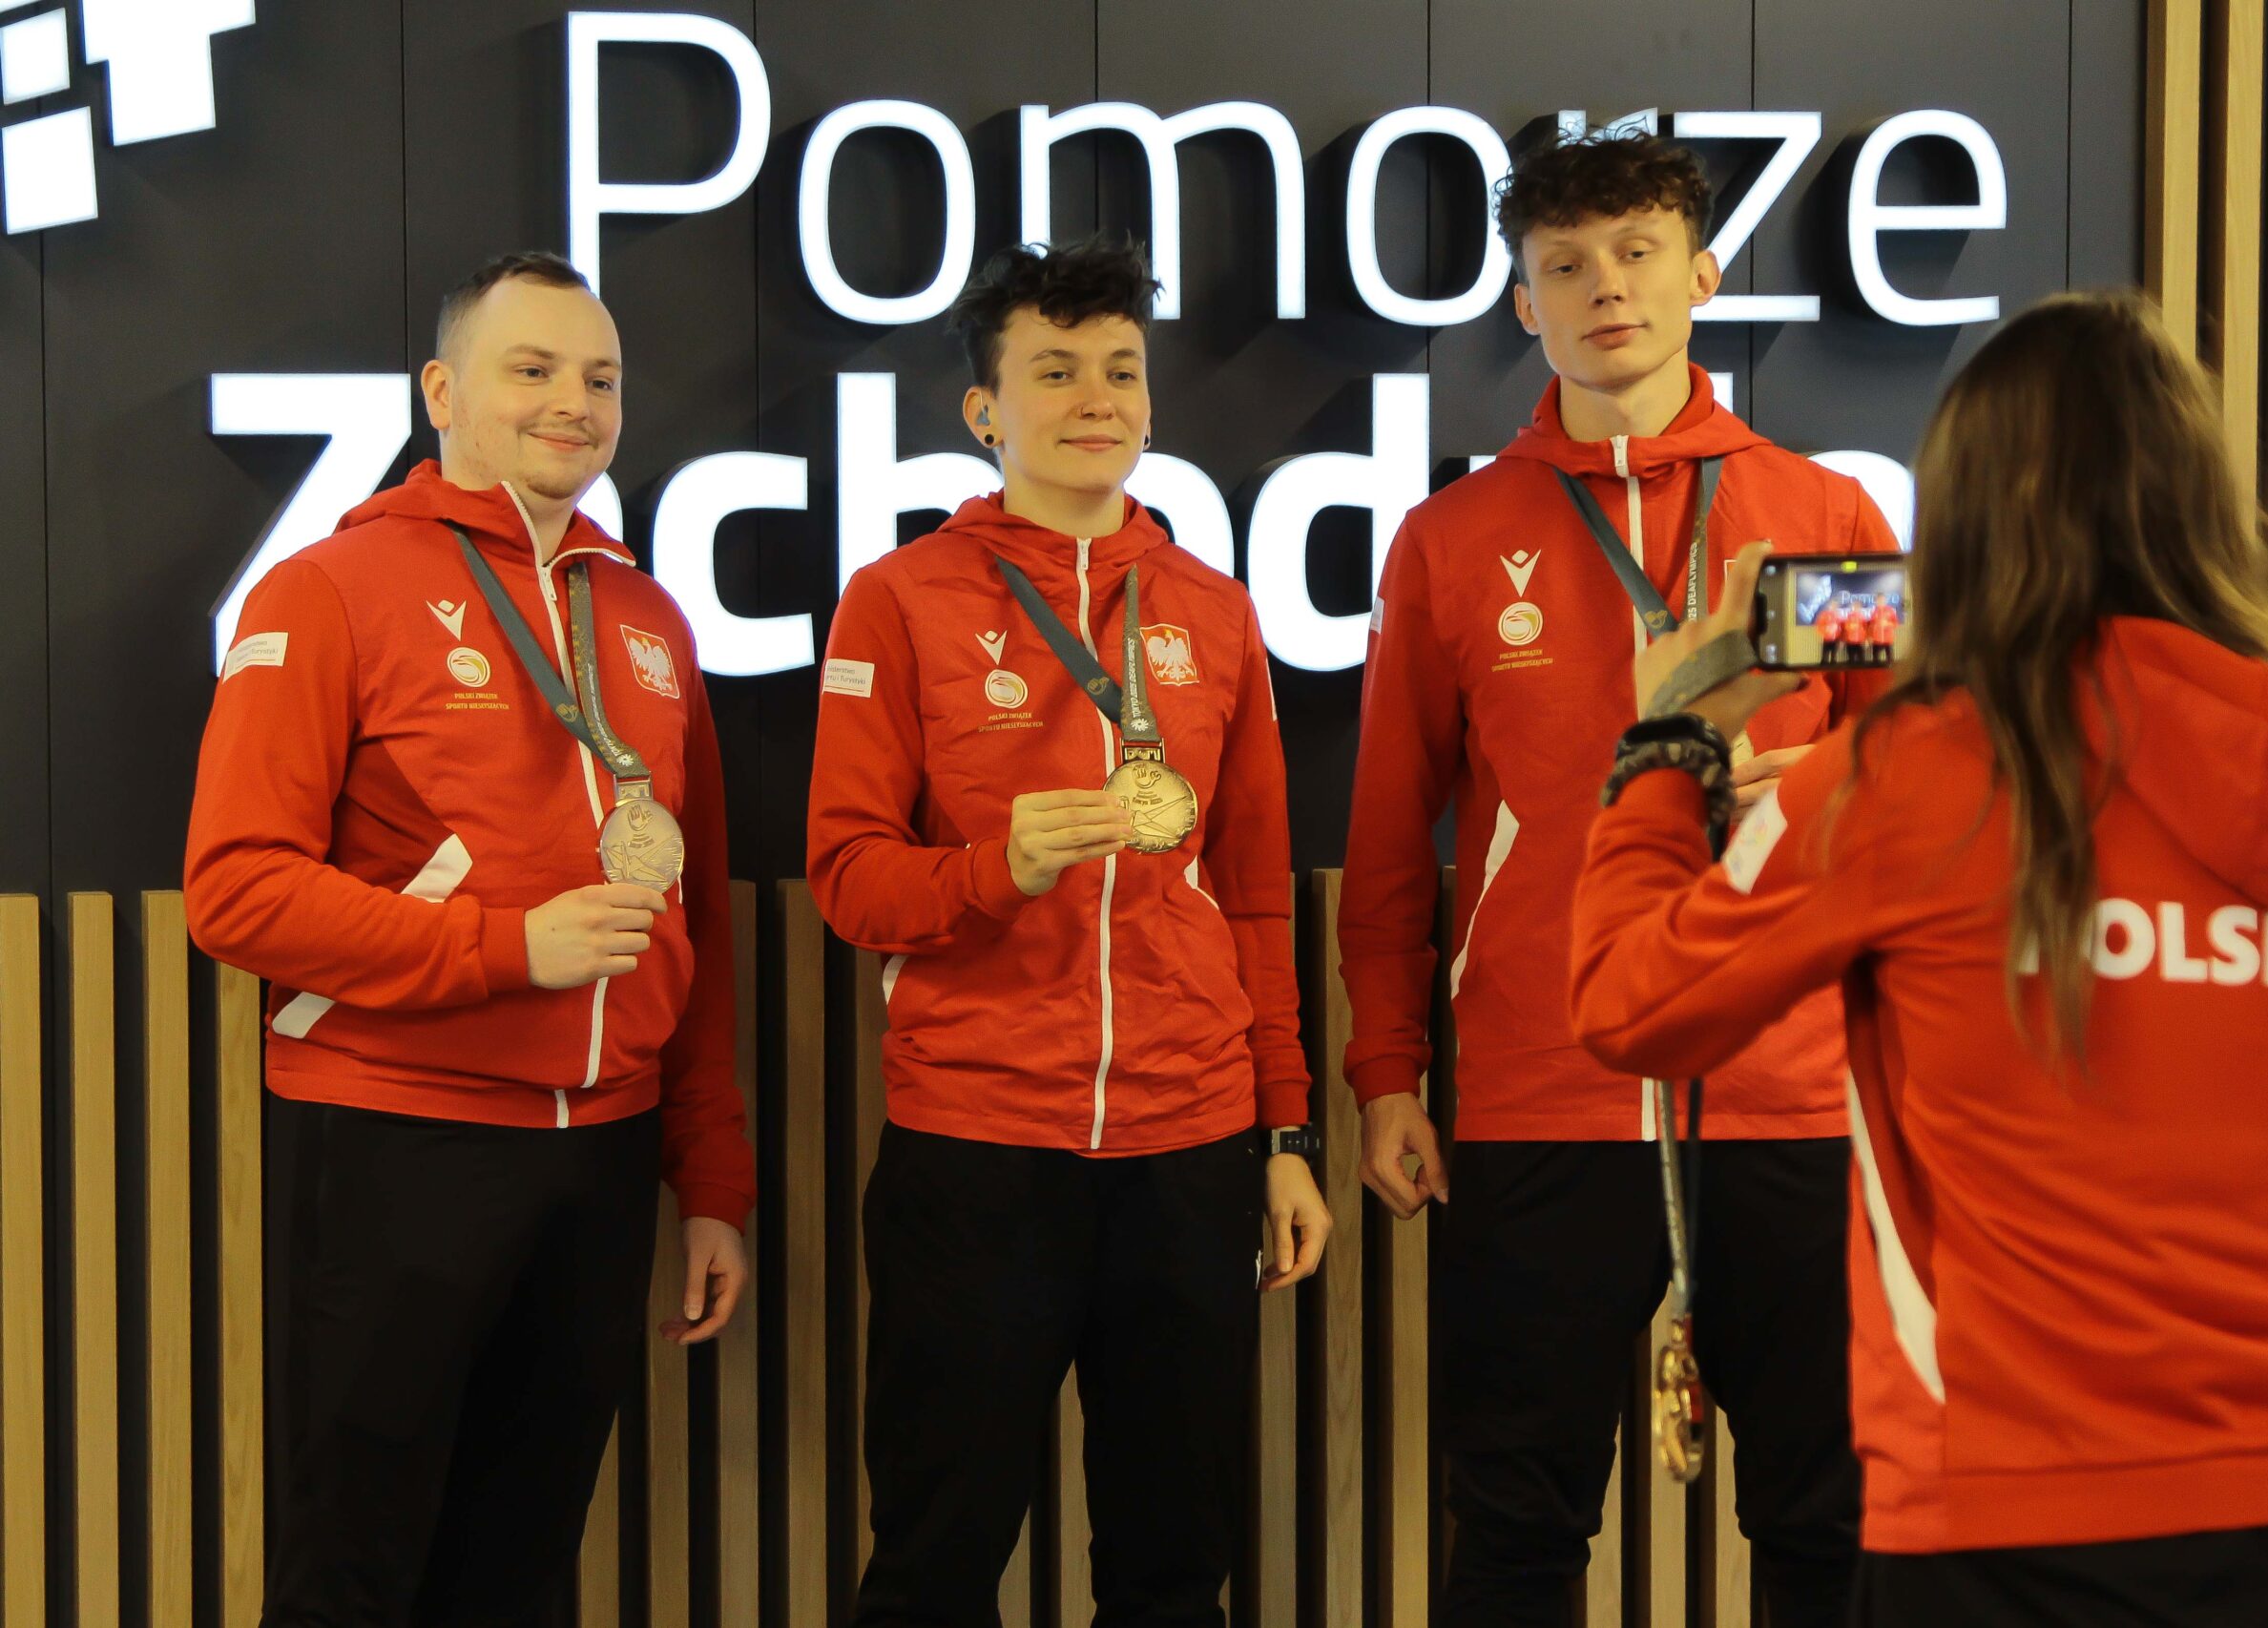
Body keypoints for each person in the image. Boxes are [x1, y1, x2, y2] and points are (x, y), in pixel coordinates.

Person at [1570, 290, 2268, 1627]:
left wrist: (1666, 743)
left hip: (2004, 1508)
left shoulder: (1920, 768)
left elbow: (1631, 1002)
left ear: (1970, 515)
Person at [1337, 129, 1896, 1626]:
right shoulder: (1455, 540)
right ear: (1524, 303)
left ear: (1701, 276)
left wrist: (1808, 791)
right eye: (1566, 266)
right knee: (1516, 1526)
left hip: (1791, 1090)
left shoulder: (1823, 519)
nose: (1606, 289)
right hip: (1544, 1087)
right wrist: (1388, 1073)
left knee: (1831, 1520)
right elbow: (1390, 838)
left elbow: (1921, 790)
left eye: (1638, 253)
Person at [185, 250, 754, 1625]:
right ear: (442, 391)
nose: (574, 402)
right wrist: (505, 948)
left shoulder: (649, 616)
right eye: (533, 368)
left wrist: (712, 1178)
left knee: (523, 1567)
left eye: (600, 377)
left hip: (603, 1153)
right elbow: (236, 890)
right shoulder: (326, 589)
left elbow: (694, 922)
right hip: (403, 1136)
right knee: (354, 1567)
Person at [806, 237, 1330, 1627]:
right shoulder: (900, 598)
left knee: (1174, 1566)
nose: (1096, 397)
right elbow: (849, 880)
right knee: (933, 1561)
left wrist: (1285, 1130)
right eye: (1054, 371)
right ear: (985, 410)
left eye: (1119, 369)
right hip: (978, 1146)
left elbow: (1257, 894)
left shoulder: (1215, 610)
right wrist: (997, 868)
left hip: (1190, 1145)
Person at [1817, 591, 1850, 665]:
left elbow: (1842, 627)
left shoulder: (1838, 615)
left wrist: (1841, 639)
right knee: (1825, 654)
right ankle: (1824, 665)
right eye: (1833, 605)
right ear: (1829, 606)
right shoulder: (1824, 614)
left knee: (1834, 655)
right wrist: (1826, 630)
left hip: (1836, 637)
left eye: (1836, 605)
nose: (1834, 607)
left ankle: (1833, 664)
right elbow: (1820, 625)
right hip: (1827, 637)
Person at [1869, 591, 1900, 666]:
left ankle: (1890, 665)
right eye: (1878, 600)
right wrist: (1870, 636)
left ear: (1885, 600)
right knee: (1875, 656)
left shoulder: (1891, 610)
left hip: (1888, 637)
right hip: (1876, 638)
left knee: (1889, 656)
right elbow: (1871, 625)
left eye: (1882, 600)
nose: (1880, 601)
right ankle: (1876, 667)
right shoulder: (1874, 612)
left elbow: (1896, 623)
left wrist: (1888, 624)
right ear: (1876, 601)